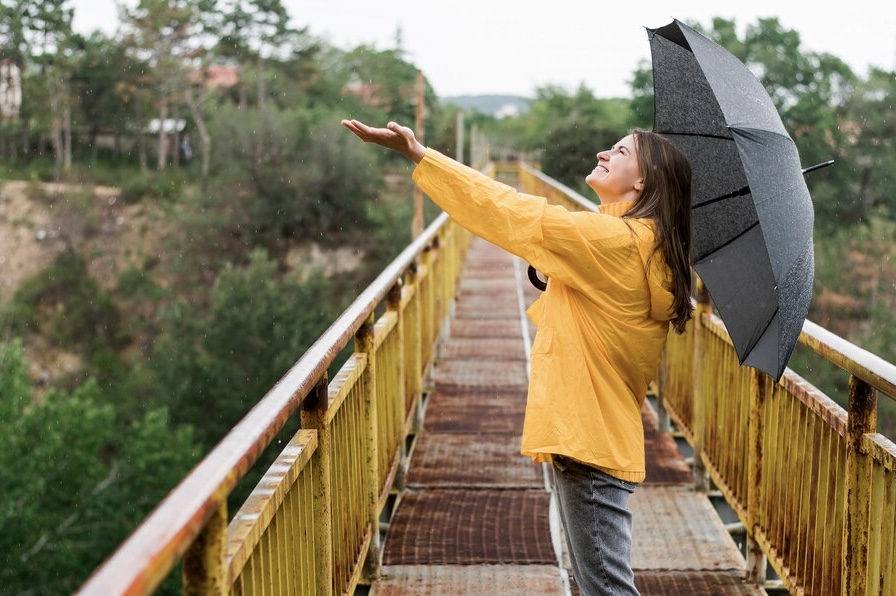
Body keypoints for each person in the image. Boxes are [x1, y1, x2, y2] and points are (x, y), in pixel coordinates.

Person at [341, 119, 693, 596]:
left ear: (642, 181)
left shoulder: (614, 242)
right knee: (599, 582)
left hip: (587, 435)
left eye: (620, 151)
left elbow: (512, 210)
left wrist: (422, 156)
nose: (602, 154)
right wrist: (556, 268)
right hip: (597, 431)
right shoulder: (640, 244)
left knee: (606, 588)